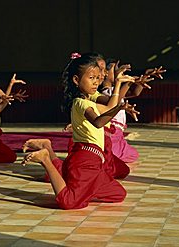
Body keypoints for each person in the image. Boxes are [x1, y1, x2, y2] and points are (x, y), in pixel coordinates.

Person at [21, 53, 135, 209]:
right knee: (69, 202)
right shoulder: (80, 102)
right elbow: (98, 122)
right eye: (91, 78)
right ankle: (45, 159)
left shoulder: (91, 95)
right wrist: (118, 109)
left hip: (94, 159)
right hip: (86, 159)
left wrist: (119, 83)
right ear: (76, 80)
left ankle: (78, 183)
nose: (96, 82)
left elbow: (109, 104)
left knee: (118, 194)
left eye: (97, 77)